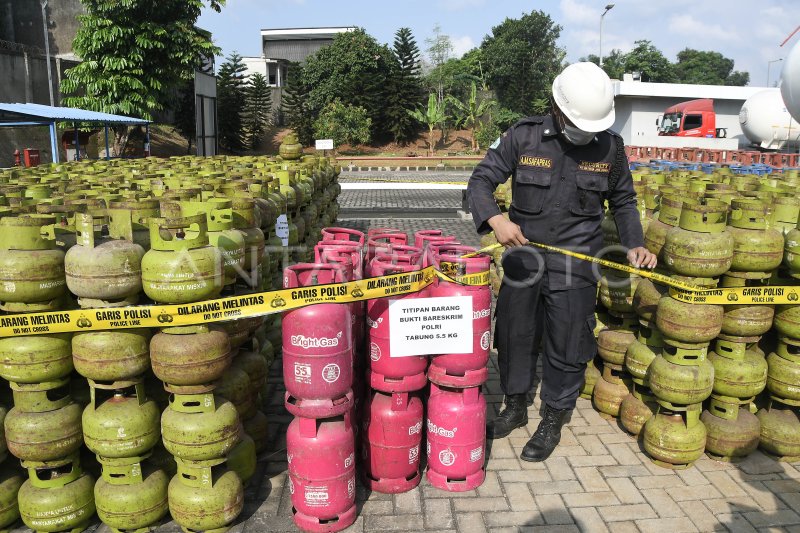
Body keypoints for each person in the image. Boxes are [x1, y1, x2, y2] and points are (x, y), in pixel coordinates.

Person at [467, 62, 657, 462]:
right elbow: (481, 181)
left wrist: (634, 243)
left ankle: (553, 415)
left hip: (576, 263)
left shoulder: (610, 147)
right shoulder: (524, 136)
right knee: (515, 334)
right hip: (523, 258)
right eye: (577, 123)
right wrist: (496, 220)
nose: (585, 132)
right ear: (557, 106)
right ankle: (516, 405)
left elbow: (623, 201)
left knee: (567, 342)